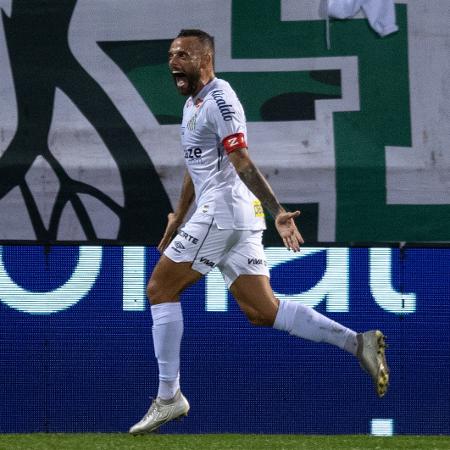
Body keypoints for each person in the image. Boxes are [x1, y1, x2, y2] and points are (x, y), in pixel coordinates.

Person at [129, 29, 389, 435]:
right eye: (171, 54)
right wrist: (178, 217)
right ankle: (358, 343)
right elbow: (195, 165)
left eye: (183, 55)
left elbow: (241, 160)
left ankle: (168, 397)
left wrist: (280, 211)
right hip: (231, 214)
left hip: (225, 212)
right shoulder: (192, 104)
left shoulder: (219, 100)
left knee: (160, 289)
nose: (173, 61)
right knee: (262, 312)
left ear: (206, 59)